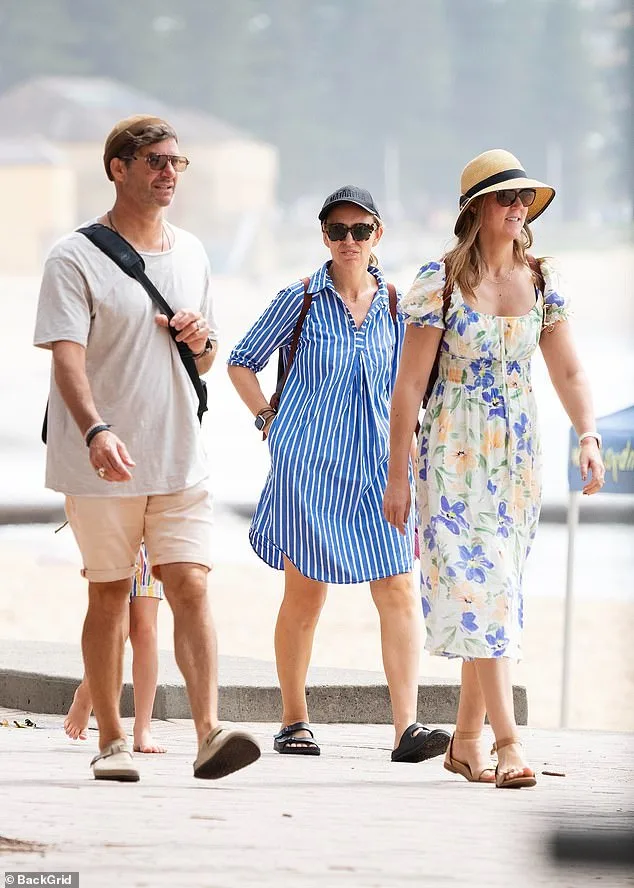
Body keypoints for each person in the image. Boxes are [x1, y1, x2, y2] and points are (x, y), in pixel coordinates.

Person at [34, 114, 260, 782]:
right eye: (156, 161)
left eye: (176, 163)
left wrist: (200, 340)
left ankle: (208, 731)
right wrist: (96, 429)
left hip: (180, 457)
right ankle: (111, 741)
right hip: (101, 462)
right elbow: (66, 361)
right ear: (118, 169)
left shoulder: (191, 253)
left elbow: (212, 357)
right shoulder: (72, 257)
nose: (169, 173)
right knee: (108, 596)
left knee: (190, 584)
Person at [384, 149, 605, 788]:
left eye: (523, 199)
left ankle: (465, 742)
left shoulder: (541, 279)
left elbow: (568, 369)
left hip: (517, 455)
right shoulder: (440, 282)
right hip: (452, 450)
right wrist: (397, 474)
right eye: (506, 198)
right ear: (477, 207)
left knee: (498, 591)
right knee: (485, 593)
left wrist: (587, 434)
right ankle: (508, 745)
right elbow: (409, 386)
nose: (517, 208)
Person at [227, 186, 450, 762]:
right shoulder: (299, 299)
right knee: (306, 593)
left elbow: (420, 381)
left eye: (360, 230)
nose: (349, 240)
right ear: (323, 236)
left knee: (399, 587)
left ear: (379, 236)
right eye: (337, 230)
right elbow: (240, 361)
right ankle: (293, 718)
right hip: (310, 465)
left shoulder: (402, 305)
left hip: (383, 467)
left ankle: (407, 728)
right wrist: (269, 422)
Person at [64, 542, 167, 755]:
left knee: (145, 631)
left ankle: (143, 728)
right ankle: (86, 693)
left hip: (152, 535)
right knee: (117, 627)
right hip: (115, 530)